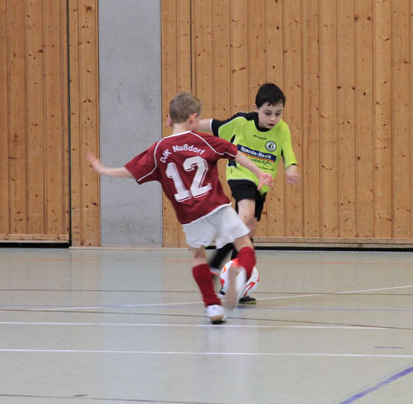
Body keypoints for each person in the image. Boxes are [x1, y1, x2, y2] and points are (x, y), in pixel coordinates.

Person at [87, 92, 273, 324]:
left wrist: (104, 170)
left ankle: (212, 307)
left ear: (169, 119)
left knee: (198, 256)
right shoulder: (204, 140)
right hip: (216, 206)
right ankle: (241, 273)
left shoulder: (158, 150)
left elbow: (132, 171)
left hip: (190, 216)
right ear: (193, 118)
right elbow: (234, 152)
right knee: (244, 244)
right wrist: (259, 172)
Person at [198, 82, 300, 305]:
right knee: (244, 216)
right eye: (267, 113)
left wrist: (291, 169)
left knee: (246, 232)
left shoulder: (282, 129)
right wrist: (187, 124)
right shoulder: (241, 122)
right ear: (256, 108)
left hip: (262, 184)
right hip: (241, 173)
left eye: (278, 113)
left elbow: (288, 154)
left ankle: (236, 287)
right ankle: (214, 264)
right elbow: (214, 124)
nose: (273, 118)